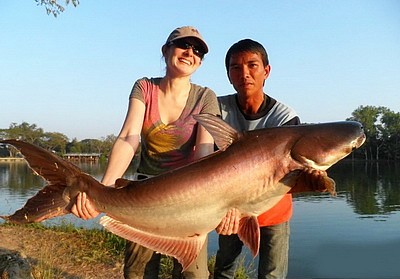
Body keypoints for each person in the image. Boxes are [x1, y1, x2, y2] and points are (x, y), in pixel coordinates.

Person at [71, 26, 220, 279]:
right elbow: (129, 136)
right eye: (183, 45)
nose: (190, 53)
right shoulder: (144, 87)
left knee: (194, 275)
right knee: (138, 273)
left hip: (188, 198)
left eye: (198, 51)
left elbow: (203, 154)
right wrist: (103, 189)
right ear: (166, 50)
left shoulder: (206, 97)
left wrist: (204, 208)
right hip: (142, 195)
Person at [213, 39, 300, 279]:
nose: (245, 74)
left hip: (274, 208)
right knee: (224, 269)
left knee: (272, 275)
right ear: (229, 75)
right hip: (231, 207)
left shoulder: (285, 117)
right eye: (235, 68)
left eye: (252, 65)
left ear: (266, 71)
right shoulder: (217, 109)